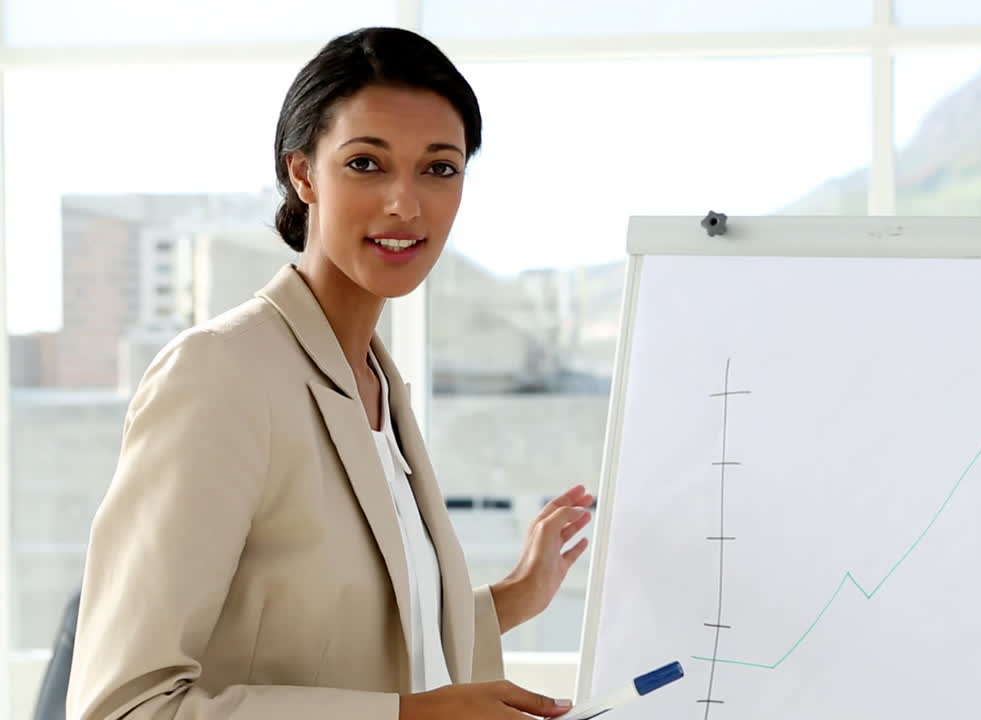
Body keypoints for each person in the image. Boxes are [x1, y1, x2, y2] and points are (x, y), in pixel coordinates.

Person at [66, 26, 594, 720]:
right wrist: (410, 717)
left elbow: (343, 637)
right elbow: (124, 706)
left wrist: (513, 599)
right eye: (367, 164)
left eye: (440, 168)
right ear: (302, 173)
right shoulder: (221, 375)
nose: (406, 203)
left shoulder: (377, 383)